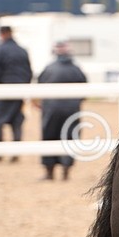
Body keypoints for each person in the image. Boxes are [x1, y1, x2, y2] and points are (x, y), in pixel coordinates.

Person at [32, 41, 87, 181]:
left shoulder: (49, 68)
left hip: (51, 109)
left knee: (49, 136)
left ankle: (49, 172)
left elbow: (39, 87)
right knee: (70, 138)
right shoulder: (76, 69)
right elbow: (84, 90)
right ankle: (66, 172)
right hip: (72, 110)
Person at [0, 25, 33, 161]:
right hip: (20, 91)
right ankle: (15, 154)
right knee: (16, 121)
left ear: (2, 34)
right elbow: (29, 72)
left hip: (3, 89)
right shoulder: (22, 51)